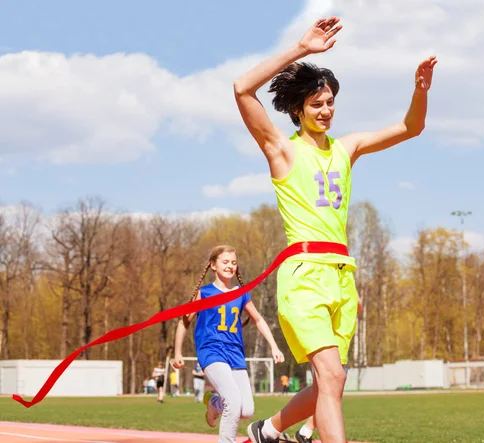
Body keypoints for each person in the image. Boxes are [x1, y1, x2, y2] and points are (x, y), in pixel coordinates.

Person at [234, 16, 435, 443]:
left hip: (342, 277)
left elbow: (411, 128)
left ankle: (267, 431)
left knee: (334, 381)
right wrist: (301, 50)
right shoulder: (281, 151)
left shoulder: (348, 148)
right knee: (328, 374)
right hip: (304, 274)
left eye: (329, 103)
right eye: (316, 104)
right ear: (297, 110)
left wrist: (419, 92)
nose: (325, 111)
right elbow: (241, 88)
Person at [172, 245, 285, 443]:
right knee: (233, 401)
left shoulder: (241, 293)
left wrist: (274, 346)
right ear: (213, 265)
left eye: (233, 262)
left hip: (235, 354)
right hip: (211, 351)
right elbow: (184, 322)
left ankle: (214, 404)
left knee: (246, 410)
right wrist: (177, 352)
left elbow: (258, 319)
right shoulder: (204, 293)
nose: (230, 266)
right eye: (225, 262)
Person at [295, 296, 363, 443]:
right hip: (324, 346)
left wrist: (351, 300)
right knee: (326, 393)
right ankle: (274, 428)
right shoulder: (322, 290)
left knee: (328, 394)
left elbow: (358, 307)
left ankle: (303, 430)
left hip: (340, 348)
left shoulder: (343, 283)